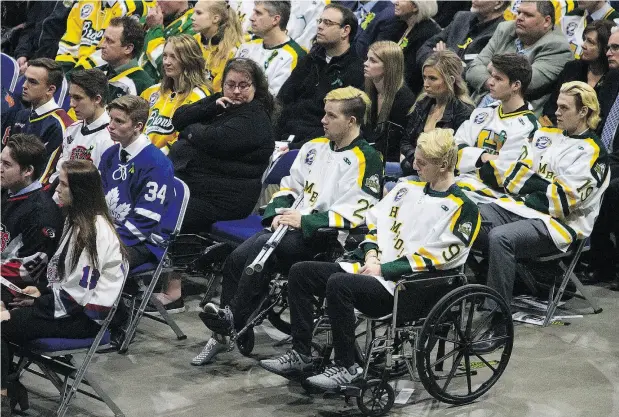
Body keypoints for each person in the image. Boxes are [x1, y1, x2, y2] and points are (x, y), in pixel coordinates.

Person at [259, 128, 481, 389]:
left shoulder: (463, 207)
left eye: (422, 162)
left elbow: (441, 256)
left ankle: (346, 367)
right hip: (373, 268)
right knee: (301, 272)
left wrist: (384, 269)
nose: (415, 165)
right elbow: (374, 224)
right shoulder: (406, 188)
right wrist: (372, 254)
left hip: (411, 286)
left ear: (444, 165)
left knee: (340, 284)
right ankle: (301, 354)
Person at [192, 86, 383, 366]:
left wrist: (305, 220)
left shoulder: (368, 158)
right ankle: (224, 331)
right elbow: (289, 187)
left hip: (328, 238)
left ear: (351, 121)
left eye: (331, 116)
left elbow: (361, 211)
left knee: (262, 249)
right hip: (291, 229)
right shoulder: (313, 147)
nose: (323, 120)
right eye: (324, 113)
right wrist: (277, 213)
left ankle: (231, 320)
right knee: (236, 258)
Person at [474, 81, 609, 352]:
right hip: (521, 208)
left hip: (561, 226)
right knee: (466, 216)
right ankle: (478, 288)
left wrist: (530, 185)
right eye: (557, 105)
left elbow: (563, 202)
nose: (556, 112)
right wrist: (538, 186)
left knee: (500, 238)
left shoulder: (595, 153)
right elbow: (512, 174)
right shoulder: (545, 135)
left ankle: (498, 319)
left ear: (584, 112)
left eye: (564, 107)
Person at [1, 159, 126, 414]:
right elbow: (65, 281)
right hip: (66, 306)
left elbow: (76, 300)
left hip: (84, 319)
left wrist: (36, 304)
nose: (56, 188)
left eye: (64, 185)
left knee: (1, 323)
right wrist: (40, 293)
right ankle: (9, 386)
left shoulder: (95, 233)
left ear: (79, 192)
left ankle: (4, 393)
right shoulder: (76, 220)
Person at [99, 95, 174, 277]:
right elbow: (97, 198)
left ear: (138, 127)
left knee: (95, 260)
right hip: (110, 230)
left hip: (142, 242)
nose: (111, 126)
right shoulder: (110, 154)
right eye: (111, 119)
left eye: (119, 121)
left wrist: (108, 241)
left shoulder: (157, 164)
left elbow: (145, 221)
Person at [276, 3, 364, 149]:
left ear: (345, 31)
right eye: (320, 21)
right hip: (285, 136)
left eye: (328, 23)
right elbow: (283, 100)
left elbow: (341, 126)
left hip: (318, 145)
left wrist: (296, 147)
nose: (320, 26)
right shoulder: (309, 61)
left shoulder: (356, 71)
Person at [466, 0, 573, 116]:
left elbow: (526, 83)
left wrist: (493, 68)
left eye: (528, 15)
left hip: (517, 118)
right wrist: (492, 82)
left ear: (546, 21)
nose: (520, 18)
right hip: (477, 106)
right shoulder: (505, 29)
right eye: (519, 12)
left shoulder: (558, 47)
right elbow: (473, 68)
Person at [455, 53, 538, 203]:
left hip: (491, 198)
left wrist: (468, 159)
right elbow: (453, 148)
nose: (490, 82)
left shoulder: (529, 127)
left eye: (498, 79)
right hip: (458, 183)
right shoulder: (483, 112)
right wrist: (482, 157)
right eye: (492, 76)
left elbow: (503, 175)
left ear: (516, 85)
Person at [1, 134, 63, 305]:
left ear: (28, 171)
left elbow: (26, 270)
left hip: (12, 288)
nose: (0, 168)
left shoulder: (42, 214)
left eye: (6, 165)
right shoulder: (7, 189)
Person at [400, 51, 474, 178]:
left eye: (432, 78)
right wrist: (415, 160)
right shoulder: (422, 103)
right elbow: (405, 141)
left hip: (441, 177)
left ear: (450, 80)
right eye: (424, 77)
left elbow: (456, 154)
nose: (425, 84)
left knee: (388, 187)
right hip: (414, 169)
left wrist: (420, 164)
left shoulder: (464, 112)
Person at [585, 27, 619, 287]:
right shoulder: (610, 82)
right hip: (605, 156)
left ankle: (605, 261)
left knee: (611, 188)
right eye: (609, 47)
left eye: (616, 48)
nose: (609, 52)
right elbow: (596, 125)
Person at [140, 34, 212, 153]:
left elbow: (186, 140)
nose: (166, 62)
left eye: (173, 57)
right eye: (165, 56)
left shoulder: (199, 96)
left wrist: (155, 158)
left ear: (189, 60)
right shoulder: (152, 91)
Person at [6, 58, 74, 173]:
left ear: (50, 89)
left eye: (32, 82)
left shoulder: (61, 125)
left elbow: (45, 175)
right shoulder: (21, 114)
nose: (24, 85)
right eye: (25, 79)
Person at [542, 20, 616, 126]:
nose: (583, 45)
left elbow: (603, 119)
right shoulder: (572, 68)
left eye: (590, 42)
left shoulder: (613, 78)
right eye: (584, 39)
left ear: (605, 49)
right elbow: (551, 106)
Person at [49, 69, 114, 186]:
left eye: (78, 98)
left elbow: (104, 185)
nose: (71, 104)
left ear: (97, 99)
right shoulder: (72, 129)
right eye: (71, 97)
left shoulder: (112, 138)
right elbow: (59, 173)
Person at [363, 40, 415, 176]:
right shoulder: (369, 91)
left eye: (373, 61)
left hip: (391, 163)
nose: (366, 64)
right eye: (367, 59)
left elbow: (396, 145)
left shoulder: (404, 100)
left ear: (389, 67)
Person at [55, 0, 148, 73]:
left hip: (107, 73)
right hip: (76, 72)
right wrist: (61, 72)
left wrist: (77, 72)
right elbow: (69, 45)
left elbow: (114, 51)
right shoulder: (83, 3)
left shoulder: (135, 5)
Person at [235, 1, 306, 96]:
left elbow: (274, 100)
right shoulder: (246, 47)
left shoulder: (294, 56)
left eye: (258, 13)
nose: (251, 18)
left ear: (275, 20)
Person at [417, 0, 509, 67]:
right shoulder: (461, 18)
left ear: (498, 3)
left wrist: (445, 61)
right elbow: (424, 49)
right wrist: (438, 60)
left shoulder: (501, 33)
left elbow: (476, 74)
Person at [378, 0, 440, 95]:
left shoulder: (427, 33)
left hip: (405, 91)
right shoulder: (401, 24)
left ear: (415, 7)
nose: (395, 2)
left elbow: (411, 74)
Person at [192, 0, 243, 92]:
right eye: (193, 12)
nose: (192, 17)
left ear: (215, 18)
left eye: (198, 13)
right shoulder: (192, 41)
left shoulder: (233, 51)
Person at [99, 16, 154, 101]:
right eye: (104, 39)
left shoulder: (143, 84)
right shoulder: (96, 72)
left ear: (128, 48)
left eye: (109, 41)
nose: (102, 45)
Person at [140, 0, 194, 81]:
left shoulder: (193, 25)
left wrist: (155, 28)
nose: (156, 3)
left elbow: (171, 67)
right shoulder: (152, 17)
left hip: (164, 87)